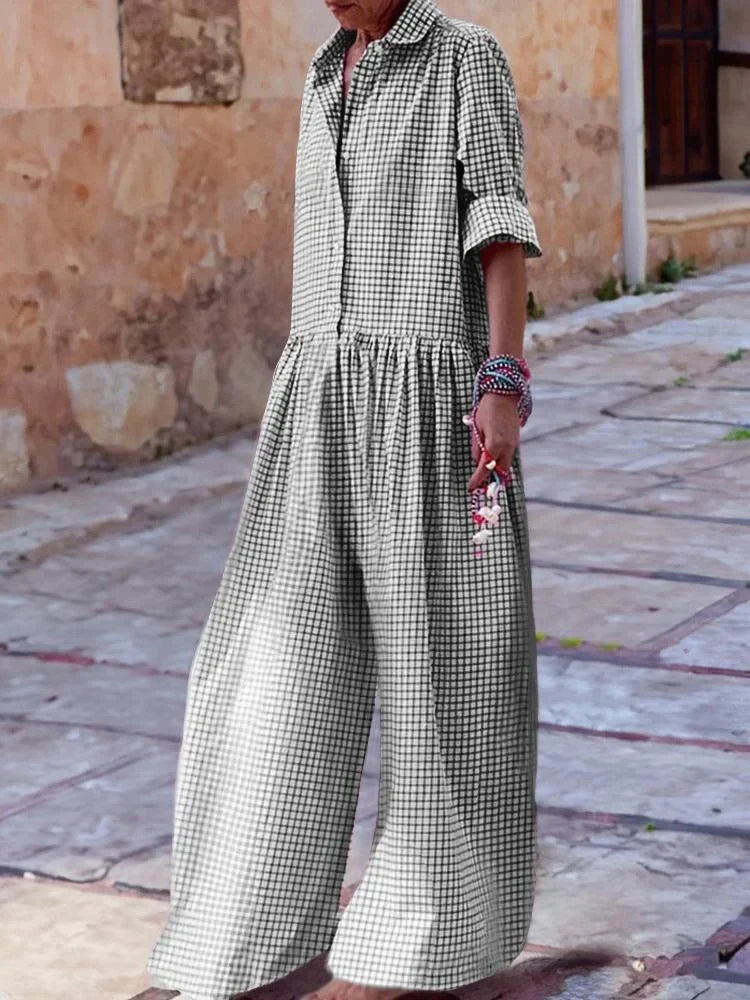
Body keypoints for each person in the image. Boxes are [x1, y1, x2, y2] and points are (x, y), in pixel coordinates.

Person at [146, 0, 543, 998]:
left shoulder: (465, 58)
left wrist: (502, 382)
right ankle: (248, 925)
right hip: (320, 398)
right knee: (270, 666)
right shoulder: (325, 74)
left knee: (447, 675)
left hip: (436, 409)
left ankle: (427, 936)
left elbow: (499, 228)